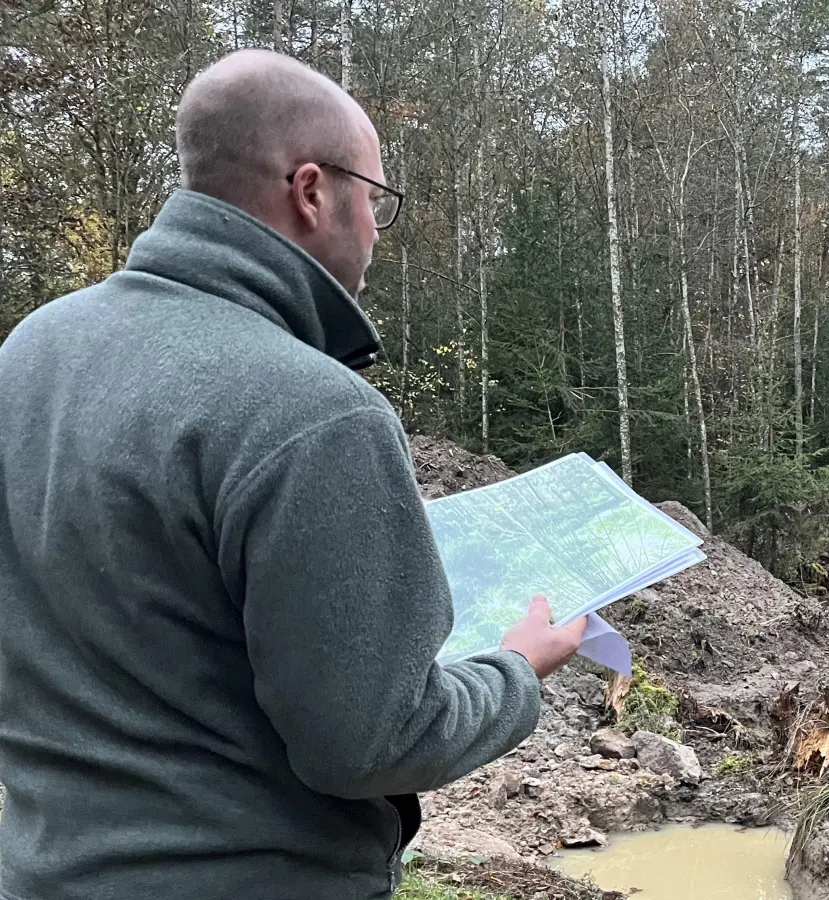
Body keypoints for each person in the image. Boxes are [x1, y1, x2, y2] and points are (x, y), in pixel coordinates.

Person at [0, 49, 588, 900]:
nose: (377, 229)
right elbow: (371, 742)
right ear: (312, 191)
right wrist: (516, 672)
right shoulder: (315, 412)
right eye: (375, 198)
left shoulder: (31, 351)